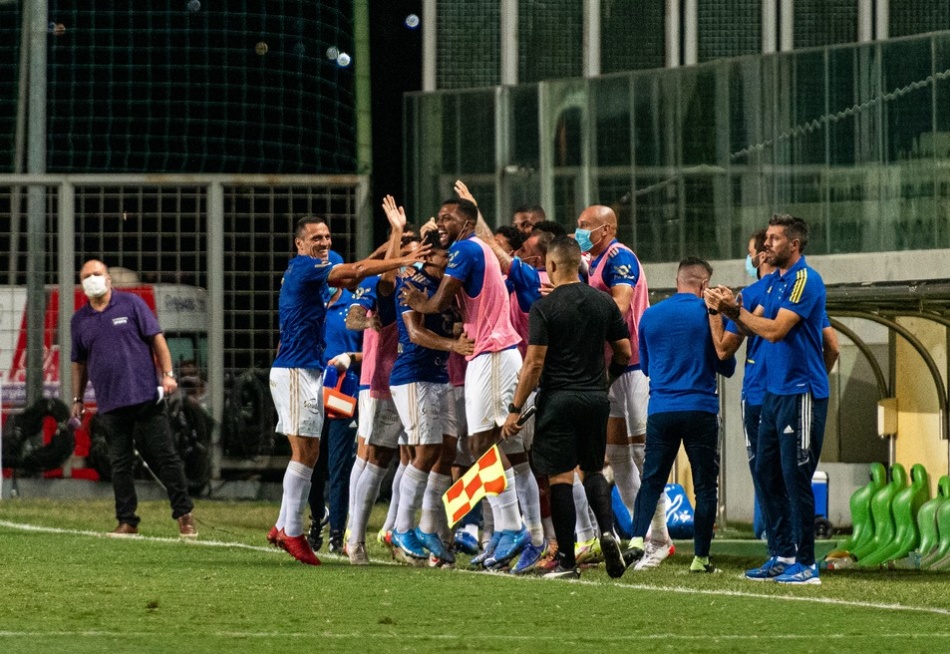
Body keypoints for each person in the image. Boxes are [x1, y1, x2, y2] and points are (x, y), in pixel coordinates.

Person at [266, 215, 425, 566]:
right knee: (306, 453)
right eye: (316, 238)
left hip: (304, 371)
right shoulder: (306, 268)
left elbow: (356, 267)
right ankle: (293, 530)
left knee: (309, 452)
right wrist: (401, 257)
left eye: (326, 236)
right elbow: (356, 271)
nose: (323, 242)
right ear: (300, 244)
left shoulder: (316, 271)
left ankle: (282, 526)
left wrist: (393, 241)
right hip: (295, 371)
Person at [400, 194, 529, 569]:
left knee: (482, 442)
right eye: (439, 217)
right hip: (485, 353)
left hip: (491, 353)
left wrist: (418, 301)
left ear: (467, 223)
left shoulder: (467, 251)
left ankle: (514, 527)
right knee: (481, 444)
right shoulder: (475, 249)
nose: (441, 223)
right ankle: (506, 529)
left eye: (448, 217)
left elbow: (439, 301)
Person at [705, 214, 834, 585]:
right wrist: (726, 309)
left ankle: (807, 564)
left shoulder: (804, 280)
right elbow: (747, 327)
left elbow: (776, 331)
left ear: (794, 244)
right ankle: (781, 553)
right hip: (775, 392)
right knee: (765, 472)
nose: (767, 245)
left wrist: (734, 311)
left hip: (799, 393)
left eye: (775, 239)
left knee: (796, 477)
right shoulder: (775, 283)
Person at [502, 236, 631, 580]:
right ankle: (607, 532)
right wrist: (606, 379)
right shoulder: (604, 303)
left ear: (553, 266)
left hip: (558, 400)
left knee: (560, 476)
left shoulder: (543, 308)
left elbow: (533, 364)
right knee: (591, 470)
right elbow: (625, 352)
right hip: (594, 399)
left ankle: (567, 563)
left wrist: (515, 409)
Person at [70, 259, 197, 538]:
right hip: (110, 404)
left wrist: (168, 374)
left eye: (97, 274)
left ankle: (184, 515)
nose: (92, 279)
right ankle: (127, 521)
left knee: (166, 457)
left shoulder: (132, 305)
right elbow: (78, 363)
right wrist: (77, 398)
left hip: (145, 398)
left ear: (109, 279)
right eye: (87, 276)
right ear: (81, 284)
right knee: (119, 465)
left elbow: (157, 339)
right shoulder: (79, 320)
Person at [625, 257, 736, 574]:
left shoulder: (650, 315)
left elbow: (646, 367)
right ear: (704, 285)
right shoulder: (711, 314)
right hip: (700, 408)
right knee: (704, 487)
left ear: (678, 280)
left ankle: (636, 539)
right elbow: (725, 365)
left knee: (652, 479)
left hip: (661, 409)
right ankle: (701, 558)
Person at [576, 205, 672, 567]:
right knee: (615, 455)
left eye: (585, 225)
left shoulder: (620, 258)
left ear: (606, 228)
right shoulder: (593, 260)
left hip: (632, 364)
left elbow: (619, 305)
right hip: (610, 366)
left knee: (641, 453)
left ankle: (660, 538)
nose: (579, 230)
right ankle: (644, 535)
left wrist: (580, 321)